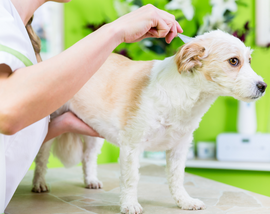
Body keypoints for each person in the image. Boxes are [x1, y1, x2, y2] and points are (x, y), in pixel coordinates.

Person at [0, 0, 182, 211]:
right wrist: (115, 31)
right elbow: (6, 112)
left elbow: (12, 139)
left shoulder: (24, 35)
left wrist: (64, 124)